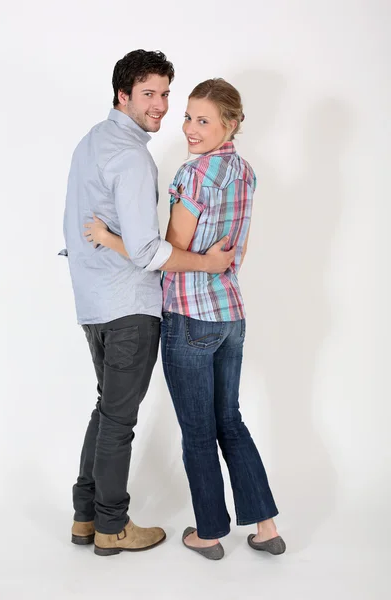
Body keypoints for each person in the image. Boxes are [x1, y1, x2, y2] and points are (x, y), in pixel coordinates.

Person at [85, 77, 285, 560]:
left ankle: (210, 534)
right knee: (230, 421)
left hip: (190, 316)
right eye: (189, 117)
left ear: (230, 123)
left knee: (200, 431)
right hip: (230, 315)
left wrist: (109, 238)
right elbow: (233, 246)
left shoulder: (194, 176)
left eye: (203, 120)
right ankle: (267, 528)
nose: (190, 129)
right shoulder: (244, 171)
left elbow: (166, 252)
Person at [62, 50, 235, 558]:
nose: (161, 106)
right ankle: (112, 527)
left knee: (105, 411)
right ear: (123, 95)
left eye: (165, 94)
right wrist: (206, 263)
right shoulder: (132, 156)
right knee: (119, 420)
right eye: (149, 95)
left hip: (92, 303)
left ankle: (85, 516)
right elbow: (145, 250)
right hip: (128, 307)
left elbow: (77, 227)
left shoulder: (89, 143)